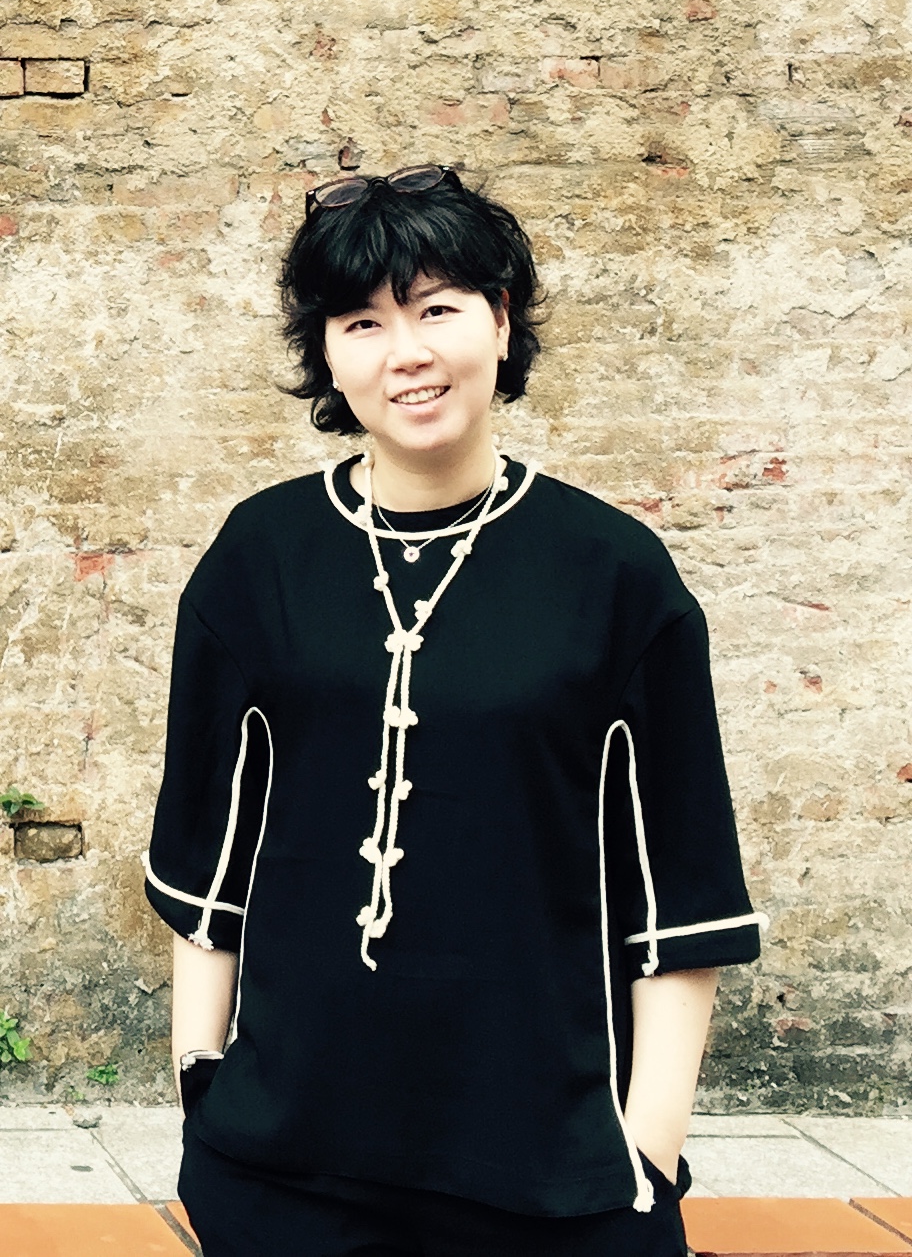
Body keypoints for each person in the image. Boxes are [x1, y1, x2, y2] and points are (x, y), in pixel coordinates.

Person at [142, 163, 766, 1256]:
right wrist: (204, 1090)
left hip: (550, 1175)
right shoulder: (260, 558)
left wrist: (650, 1150)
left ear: (501, 321)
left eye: (437, 310)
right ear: (328, 354)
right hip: (287, 1165)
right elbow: (209, 861)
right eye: (363, 323)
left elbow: (681, 890)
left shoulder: (614, 574)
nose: (407, 353)